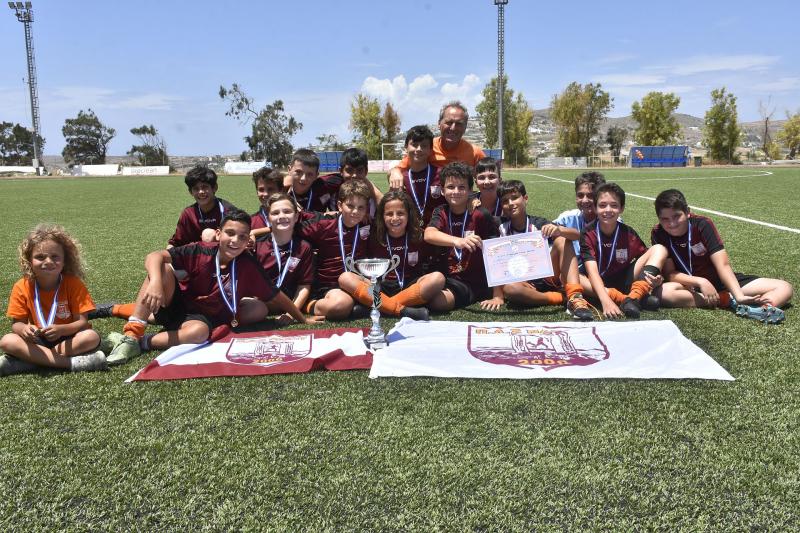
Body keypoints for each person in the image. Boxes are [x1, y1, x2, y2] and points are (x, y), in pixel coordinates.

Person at [104, 209, 318, 366]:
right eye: (230, 233)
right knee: (163, 269)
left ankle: (141, 342)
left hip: (198, 318)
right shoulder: (201, 250)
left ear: (248, 241)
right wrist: (157, 283)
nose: (235, 241)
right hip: (176, 304)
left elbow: (276, 296)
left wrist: (302, 318)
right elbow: (154, 256)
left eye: (242, 237)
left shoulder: (248, 264)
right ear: (218, 234)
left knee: (200, 333)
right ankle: (132, 334)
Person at [652, 189, 792, 322]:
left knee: (784, 287)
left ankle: (761, 310)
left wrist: (739, 296)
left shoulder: (702, 225)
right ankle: (725, 299)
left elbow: (722, 264)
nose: (672, 223)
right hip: (688, 286)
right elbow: (670, 273)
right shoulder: (658, 233)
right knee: (662, 293)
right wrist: (701, 281)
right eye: (665, 219)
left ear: (687, 212)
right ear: (659, 218)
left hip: (720, 282)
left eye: (677, 216)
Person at [1, 224, 106, 376]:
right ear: (29, 260)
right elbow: (17, 324)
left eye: (55, 257)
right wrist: (24, 330)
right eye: (40, 257)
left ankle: (31, 361)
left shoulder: (73, 284)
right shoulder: (21, 286)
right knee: (7, 341)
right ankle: (72, 363)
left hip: (69, 339)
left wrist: (61, 329)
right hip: (37, 340)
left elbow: (82, 322)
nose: (48, 261)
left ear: (64, 261)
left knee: (91, 337)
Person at [338, 190, 444, 320]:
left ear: (409, 215)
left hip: (409, 286)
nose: (394, 218)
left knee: (438, 278)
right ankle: (400, 310)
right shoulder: (372, 234)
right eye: (389, 214)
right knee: (345, 278)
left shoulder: (419, 236)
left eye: (400, 213)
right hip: (377, 287)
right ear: (382, 216)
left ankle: (379, 307)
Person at [496, 180, 593, 321]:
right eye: (505, 201)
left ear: (525, 199)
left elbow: (578, 235)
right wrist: (472, 203)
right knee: (510, 289)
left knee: (562, 239)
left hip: (547, 276)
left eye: (515, 197)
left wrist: (559, 230)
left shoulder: (539, 223)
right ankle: (559, 298)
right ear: (501, 205)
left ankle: (575, 296)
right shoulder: (500, 226)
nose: (510, 203)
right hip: (524, 282)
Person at [580, 183, 668, 319]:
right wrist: (606, 301)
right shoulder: (588, 233)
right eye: (602, 205)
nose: (608, 210)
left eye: (614, 205)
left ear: (621, 208)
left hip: (624, 281)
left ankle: (634, 296)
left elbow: (646, 259)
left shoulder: (628, 233)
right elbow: (592, 272)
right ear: (595, 208)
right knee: (573, 276)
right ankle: (627, 299)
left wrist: (657, 277)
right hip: (595, 284)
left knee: (659, 249)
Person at [424, 162, 503, 312]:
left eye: (462, 187)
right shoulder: (441, 211)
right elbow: (429, 234)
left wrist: (498, 295)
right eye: (450, 187)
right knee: (425, 287)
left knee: (437, 302)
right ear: (442, 191)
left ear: (470, 191)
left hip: (471, 282)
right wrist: (458, 241)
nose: (456, 191)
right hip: (446, 276)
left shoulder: (481, 214)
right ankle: (395, 305)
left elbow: (495, 253)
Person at [296, 178, 373, 320]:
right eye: (350, 206)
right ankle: (310, 305)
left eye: (361, 207)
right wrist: (256, 233)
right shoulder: (323, 225)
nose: (355, 211)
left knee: (379, 289)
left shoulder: (368, 225)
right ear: (339, 205)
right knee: (341, 305)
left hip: (357, 281)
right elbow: (289, 228)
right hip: (330, 286)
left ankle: (361, 306)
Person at [388, 101, 485, 189]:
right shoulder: (426, 147)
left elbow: (488, 177)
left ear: (465, 127)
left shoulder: (475, 153)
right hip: (431, 200)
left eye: (459, 123)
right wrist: (395, 172)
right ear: (439, 123)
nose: (453, 128)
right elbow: (398, 169)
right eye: (449, 122)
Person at [253, 193, 315, 325]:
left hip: (289, 303)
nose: (281, 216)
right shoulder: (257, 245)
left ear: (296, 216)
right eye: (275, 213)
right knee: (255, 310)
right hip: (262, 303)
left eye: (287, 211)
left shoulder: (304, 247)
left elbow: (304, 285)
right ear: (268, 218)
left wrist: (291, 313)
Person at [168, 166, 239, 248]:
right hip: (196, 254)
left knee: (208, 234)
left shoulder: (229, 211)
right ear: (191, 192)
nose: (201, 192)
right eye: (196, 189)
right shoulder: (188, 213)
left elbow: (242, 238)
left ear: (214, 188)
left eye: (204, 187)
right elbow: (175, 243)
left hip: (225, 252)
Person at [554, 171, 607, 267]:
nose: (585, 200)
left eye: (590, 196)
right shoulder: (566, 218)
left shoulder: (611, 222)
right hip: (571, 270)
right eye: (580, 195)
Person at [398, 125, 446, 225]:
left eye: (424, 146)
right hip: (411, 231)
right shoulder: (401, 178)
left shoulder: (442, 174)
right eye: (414, 145)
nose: (419, 149)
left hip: (438, 229)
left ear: (430, 150)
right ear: (406, 147)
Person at [322, 147, 383, 219]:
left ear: (366, 172)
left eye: (359, 170)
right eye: (349, 170)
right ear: (341, 171)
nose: (354, 175)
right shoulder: (331, 188)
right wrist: (340, 214)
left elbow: (385, 208)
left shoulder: (372, 193)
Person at [284, 149, 338, 214]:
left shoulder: (324, 185)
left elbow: (345, 177)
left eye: (310, 174)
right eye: (298, 172)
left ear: (316, 175)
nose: (303, 178)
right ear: (289, 170)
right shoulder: (280, 191)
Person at [249, 166, 284, 235]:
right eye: (261, 190)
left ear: (281, 191)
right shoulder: (251, 222)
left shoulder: (292, 218)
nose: (265, 194)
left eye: (270, 189)